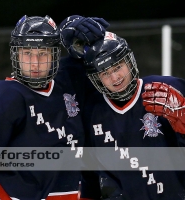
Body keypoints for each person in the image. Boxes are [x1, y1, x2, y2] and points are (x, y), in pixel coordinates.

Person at [0, 14, 109, 200]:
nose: (35, 63)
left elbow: (111, 73)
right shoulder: (3, 96)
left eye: (42, 53)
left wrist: (83, 43)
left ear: (54, 55)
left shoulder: (68, 81)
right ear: (16, 55)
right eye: (27, 53)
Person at [60, 27, 185, 199]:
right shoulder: (91, 112)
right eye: (105, 73)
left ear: (130, 61)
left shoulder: (168, 90)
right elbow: (90, 177)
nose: (115, 78)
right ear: (96, 79)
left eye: (118, 67)